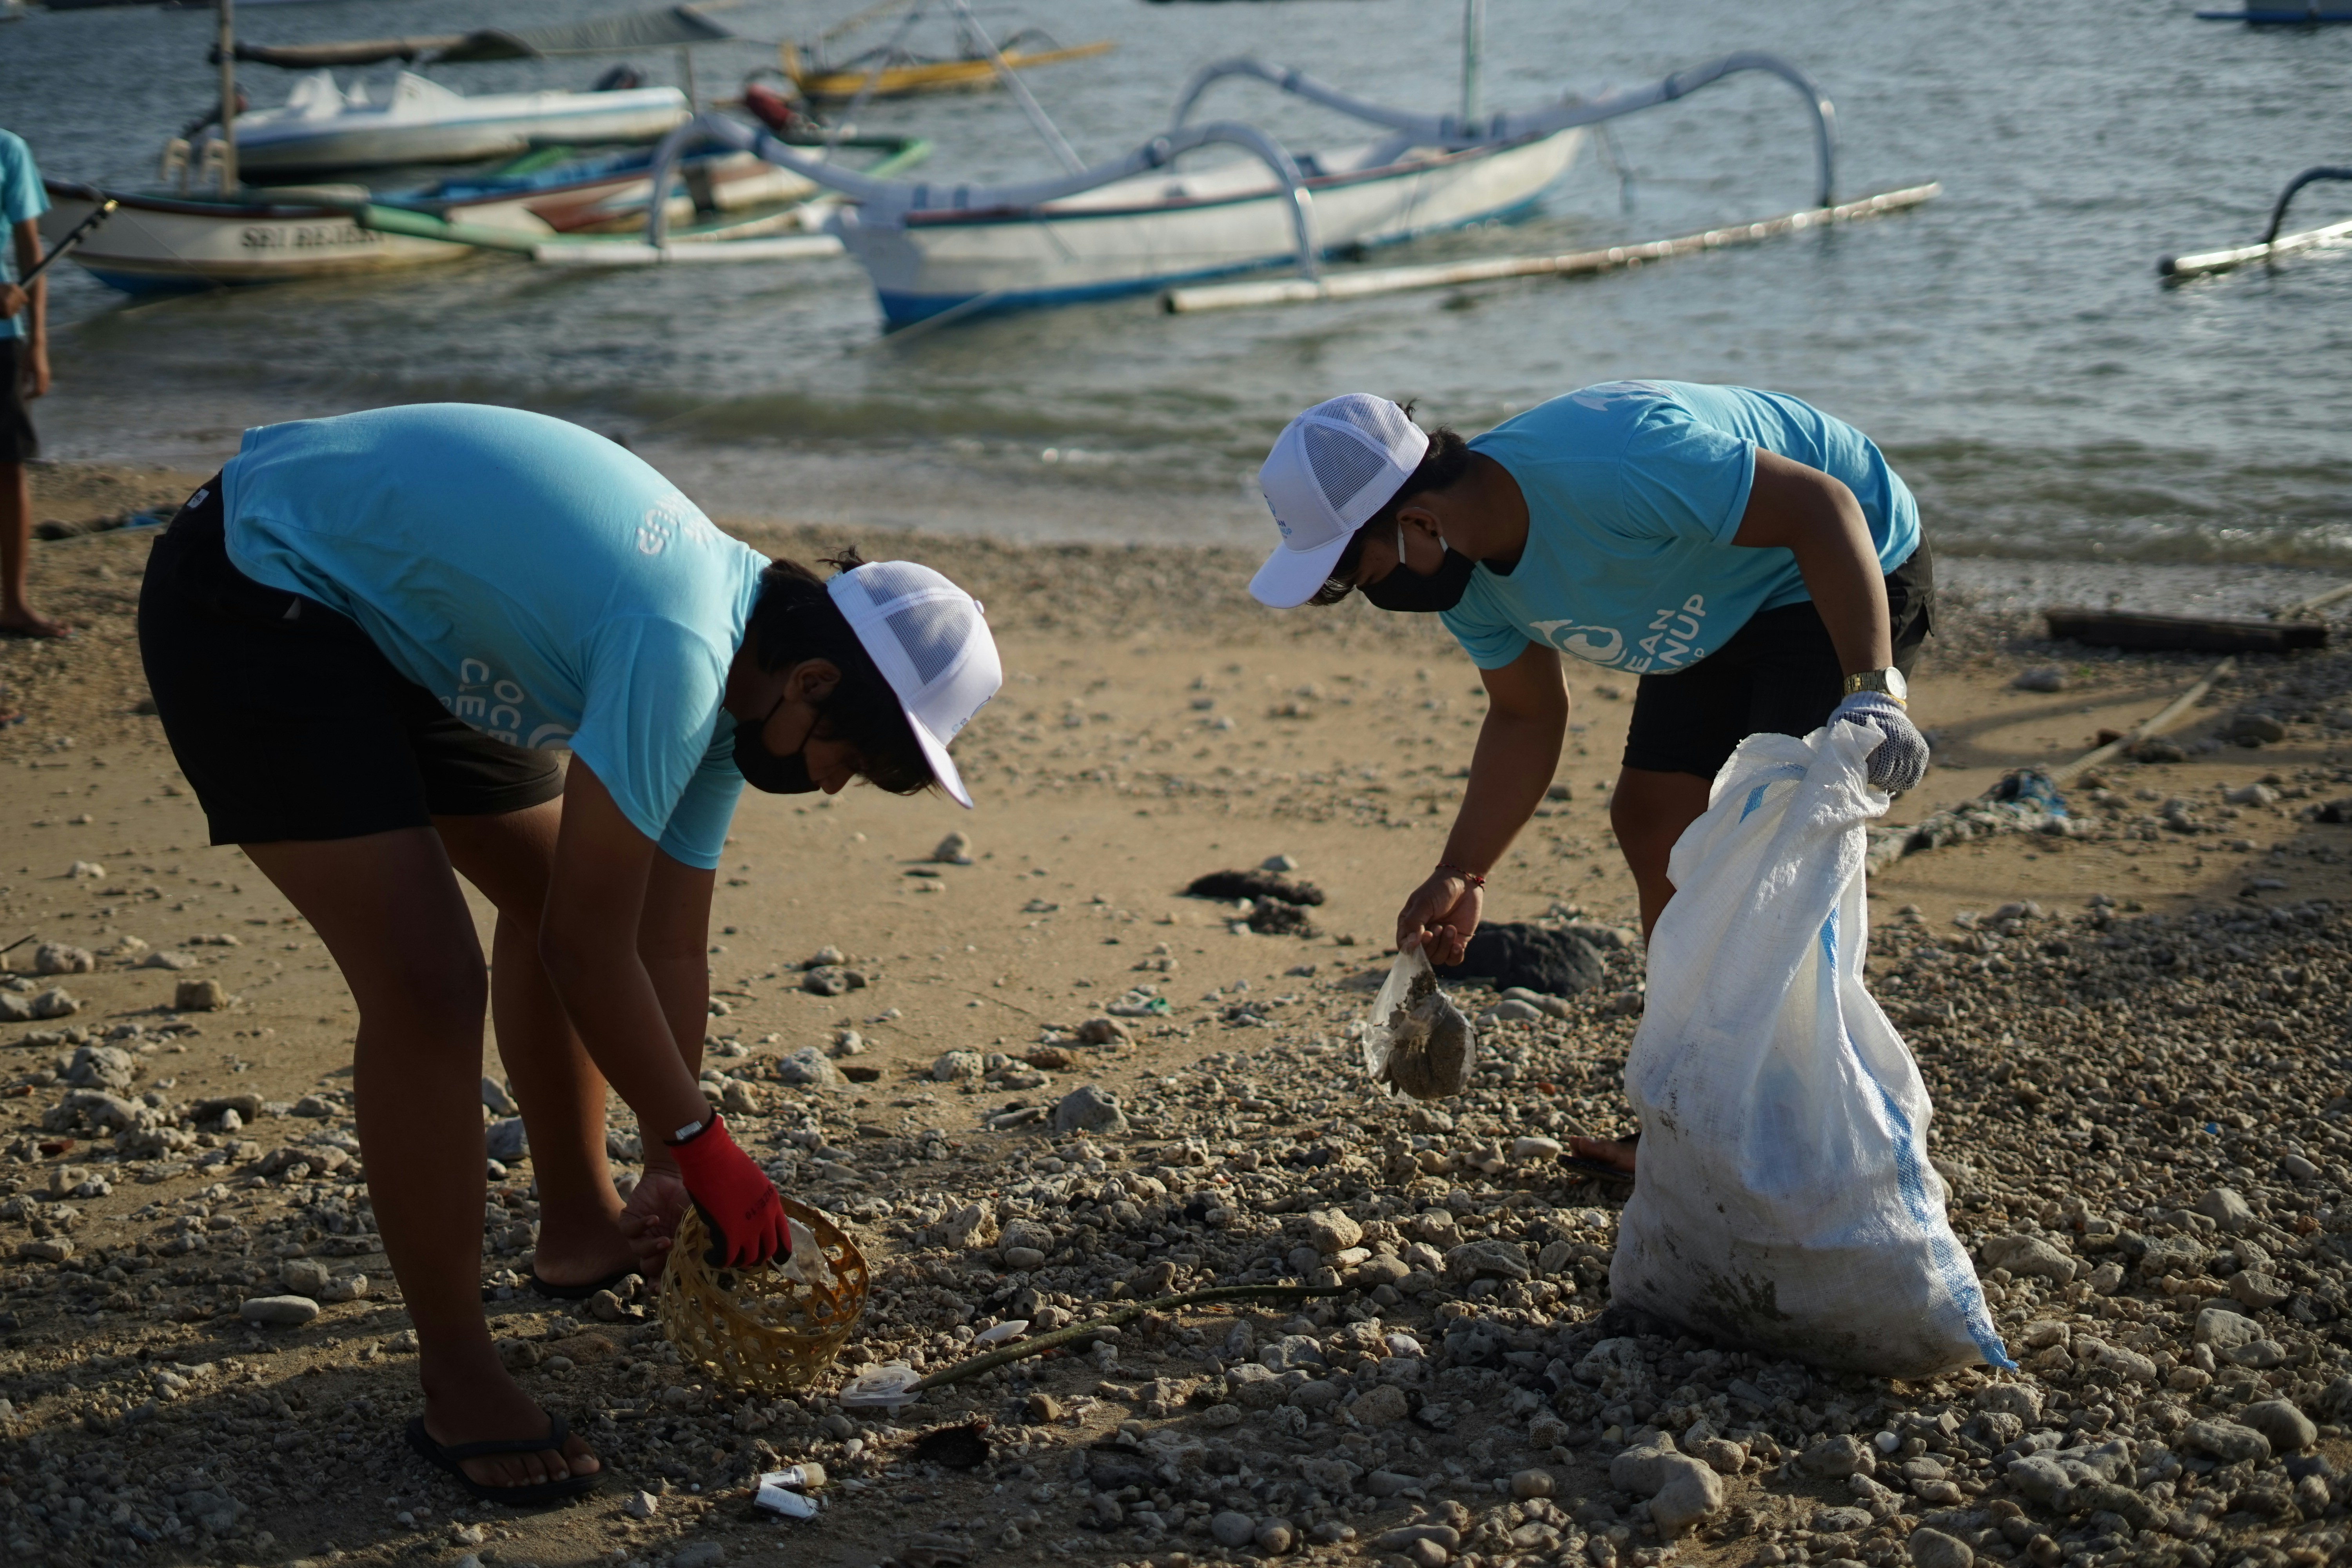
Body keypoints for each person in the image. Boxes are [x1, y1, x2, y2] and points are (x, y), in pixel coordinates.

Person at [137, 403, 1002, 1503]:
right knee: (430, 984)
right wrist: (707, 1144)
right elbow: (593, 956)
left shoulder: (743, 676)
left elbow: (663, 945)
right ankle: (457, 1375)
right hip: (255, 587)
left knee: (558, 888)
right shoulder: (684, 646)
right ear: (818, 684)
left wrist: (662, 1163)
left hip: (393, 619)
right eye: (851, 758)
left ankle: (582, 1222)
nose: (833, 787)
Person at [1249, 382, 1932, 1176]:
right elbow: (1526, 715)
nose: (1370, 595)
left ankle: (1796, 1120)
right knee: (1653, 819)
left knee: (1769, 838)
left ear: (1419, 523)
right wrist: (1461, 870)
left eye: (1360, 575)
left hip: (1835, 561)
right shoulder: (1468, 576)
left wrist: (1874, 690)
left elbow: (1823, 506)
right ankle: (1694, 1112)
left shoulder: (1617, 463)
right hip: (1704, 595)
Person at [0, 126, 65, 646]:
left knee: (9, 466)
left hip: (5, 337)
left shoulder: (9, 150)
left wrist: (38, 343)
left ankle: (15, 604)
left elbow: (30, 254)